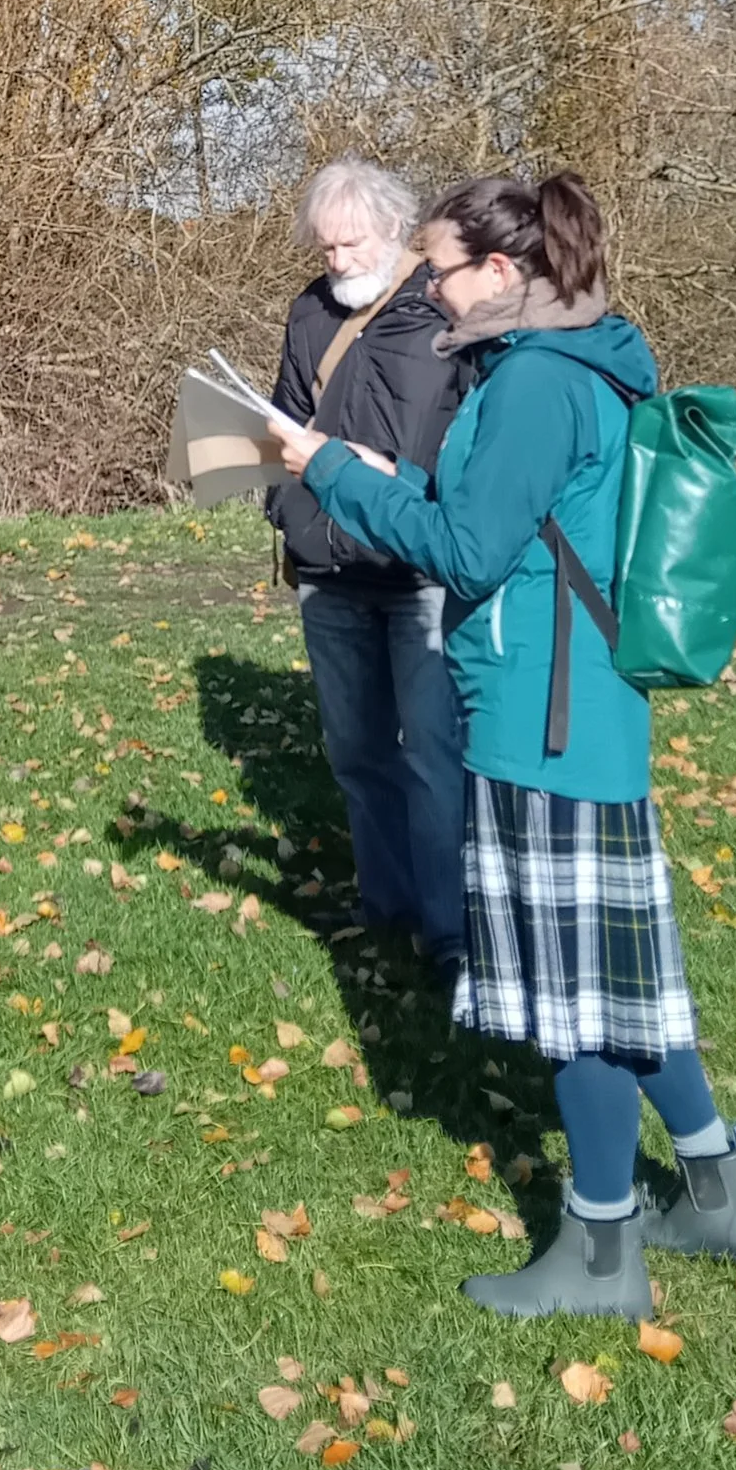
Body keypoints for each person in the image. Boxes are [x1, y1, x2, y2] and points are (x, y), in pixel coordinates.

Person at [273, 169, 736, 1321]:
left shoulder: (538, 383)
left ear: (501, 274)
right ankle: (716, 1189)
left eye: (442, 271)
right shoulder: (579, 358)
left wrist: (333, 469)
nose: (432, 291)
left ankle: (600, 1250)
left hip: (540, 716)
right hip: (579, 706)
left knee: (574, 1003)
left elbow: (464, 552)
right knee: (623, 982)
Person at [265, 159, 470, 970]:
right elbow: (280, 421)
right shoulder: (309, 314)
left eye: (352, 244)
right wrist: (287, 511)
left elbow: (471, 440)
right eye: (326, 248)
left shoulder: (446, 314)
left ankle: (449, 923)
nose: (339, 261)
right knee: (355, 749)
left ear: (393, 232)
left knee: (431, 751)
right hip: (330, 571)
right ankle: (384, 901)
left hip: (420, 570)